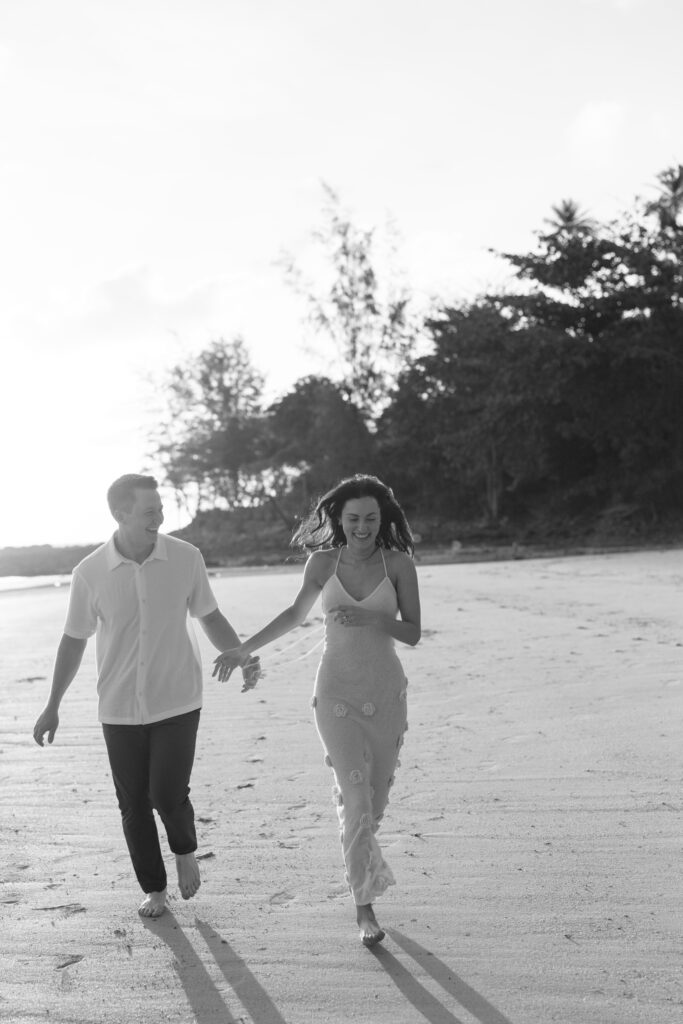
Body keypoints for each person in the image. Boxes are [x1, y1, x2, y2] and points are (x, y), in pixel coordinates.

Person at [32, 474, 259, 919]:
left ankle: (185, 849)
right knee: (133, 802)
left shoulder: (185, 558)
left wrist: (243, 656)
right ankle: (155, 889)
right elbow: (74, 640)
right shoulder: (90, 572)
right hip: (117, 707)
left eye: (160, 509)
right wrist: (52, 704)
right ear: (120, 514)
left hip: (176, 698)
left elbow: (210, 616)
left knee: (166, 793)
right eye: (149, 511)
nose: (160, 518)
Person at [213, 474, 421, 948]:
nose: (363, 527)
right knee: (357, 799)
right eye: (353, 519)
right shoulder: (323, 562)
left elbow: (412, 632)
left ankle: (363, 859)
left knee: (375, 801)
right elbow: (293, 614)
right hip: (335, 695)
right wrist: (244, 649)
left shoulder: (399, 564)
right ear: (339, 520)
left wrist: (371, 618)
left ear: (382, 519)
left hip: (386, 694)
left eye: (371, 518)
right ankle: (364, 908)